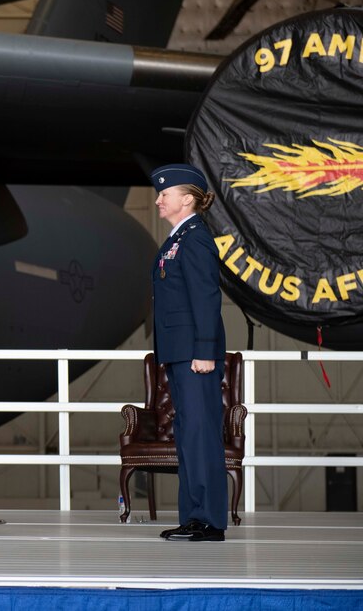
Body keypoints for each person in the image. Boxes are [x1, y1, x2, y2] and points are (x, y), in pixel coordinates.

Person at [149, 163, 228, 542]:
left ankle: (209, 520)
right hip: (179, 352)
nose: (158, 200)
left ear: (187, 199)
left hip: (195, 354)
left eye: (165, 194)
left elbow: (206, 298)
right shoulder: (179, 237)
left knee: (200, 433)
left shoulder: (195, 238)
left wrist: (205, 350)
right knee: (188, 434)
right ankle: (194, 516)